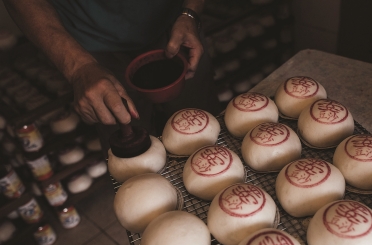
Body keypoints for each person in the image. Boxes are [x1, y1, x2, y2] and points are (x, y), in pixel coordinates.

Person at [3, 0, 221, 152]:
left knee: (201, 127)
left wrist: (190, 12)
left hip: (176, 26)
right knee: (129, 147)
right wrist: (79, 67)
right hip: (91, 47)